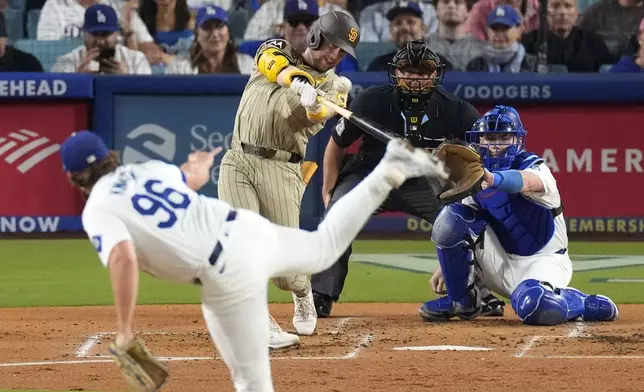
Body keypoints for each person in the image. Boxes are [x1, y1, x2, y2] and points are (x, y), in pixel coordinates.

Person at [60, 130, 447, 392]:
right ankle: (389, 169)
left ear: (73, 179)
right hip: (246, 230)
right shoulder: (147, 169)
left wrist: (125, 330)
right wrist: (198, 166)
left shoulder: (97, 208)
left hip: (228, 272)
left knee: (252, 383)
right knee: (325, 246)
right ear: (111, 157)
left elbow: (123, 258)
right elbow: (187, 179)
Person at [311, 40, 505, 318]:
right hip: (370, 174)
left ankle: (476, 294)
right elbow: (336, 144)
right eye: (408, 71)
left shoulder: (456, 109)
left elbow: (482, 150)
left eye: (423, 72)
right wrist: (329, 189)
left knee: (464, 224)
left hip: (425, 182)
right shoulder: (370, 100)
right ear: (396, 73)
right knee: (335, 219)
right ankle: (321, 295)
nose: (415, 78)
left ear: (435, 74)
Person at [217, 11, 361, 348]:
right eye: (332, 46)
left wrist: (313, 104)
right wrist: (294, 78)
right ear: (315, 37)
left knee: (286, 272)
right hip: (238, 159)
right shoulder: (277, 48)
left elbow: (319, 116)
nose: (334, 56)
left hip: (282, 169)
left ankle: (302, 290)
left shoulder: (336, 86)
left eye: (341, 53)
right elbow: (271, 63)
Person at [419, 105, 619, 326]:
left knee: (536, 307)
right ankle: (464, 302)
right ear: (479, 140)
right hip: (498, 261)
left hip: (542, 261)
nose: (495, 145)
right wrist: (448, 265)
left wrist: (491, 177)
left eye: (504, 137)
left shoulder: (535, 166)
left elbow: (525, 181)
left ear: (517, 140)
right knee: (451, 217)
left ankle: (580, 301)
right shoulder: (473, 174)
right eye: (489, 137)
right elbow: (458, 227)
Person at [52, 4, 152, 75]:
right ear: (84, 33)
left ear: (116, 34)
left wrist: (126, 80)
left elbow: (147, 99)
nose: (100, 41)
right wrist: (78, 79)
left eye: (105, 34)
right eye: (95, 34)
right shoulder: (66, 61)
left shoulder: (136, 60)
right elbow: (58, 102)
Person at [165, 5, 253, 74]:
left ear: (228, 32)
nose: (214, 34)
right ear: (196, 34)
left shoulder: (246, 65)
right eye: (207, 27)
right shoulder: (179, 67)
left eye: (220, 26)